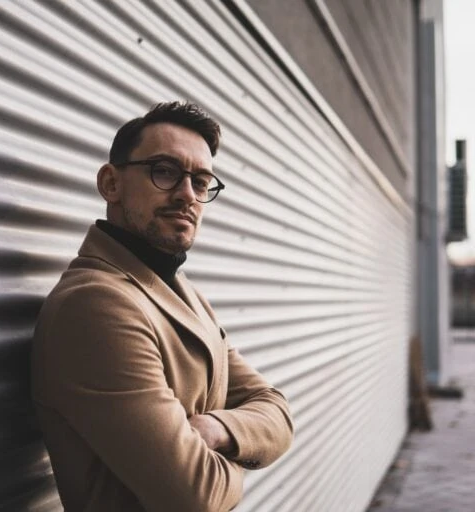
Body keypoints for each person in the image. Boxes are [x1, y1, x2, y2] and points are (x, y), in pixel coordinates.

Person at [31, 102, 294, 512]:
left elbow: (277, 412)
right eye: (165, 171)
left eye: (202, 181)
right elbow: (197, 495)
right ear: (110, 183)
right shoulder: (95, 304)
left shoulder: (185, 295)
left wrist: (215, 428)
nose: (187, 194)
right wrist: (241, 447)